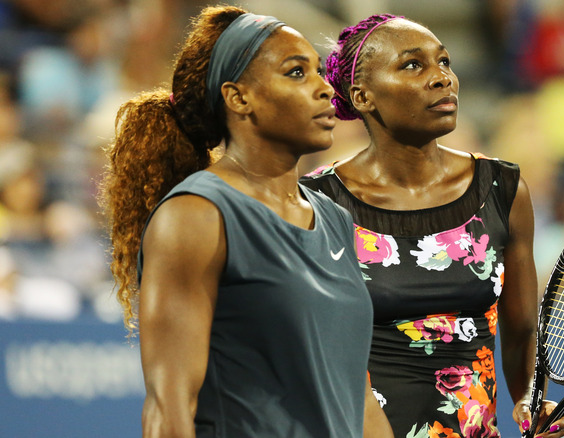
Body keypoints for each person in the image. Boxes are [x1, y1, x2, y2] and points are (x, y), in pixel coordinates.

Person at [99, 6, 390, 438]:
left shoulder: (335, 219)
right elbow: (169, 406)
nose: (324, 88)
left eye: (319, 71)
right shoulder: (196, 215)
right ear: (239, 98)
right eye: (296, 72)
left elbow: (359, 398)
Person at [301, 14, 564, 438]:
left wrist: (529, 399)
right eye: (413, 65)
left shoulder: (503, 190)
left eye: (444, 62)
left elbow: (520, 333)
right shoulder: (317, 202)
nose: (442, 78)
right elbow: (312, 351)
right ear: (363, 96)